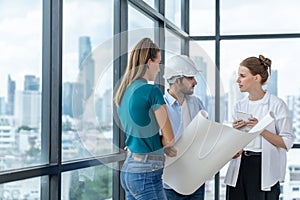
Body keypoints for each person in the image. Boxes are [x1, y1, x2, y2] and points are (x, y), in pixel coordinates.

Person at [114, 38, 177, 200]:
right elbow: (169, 139)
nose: (159, 70)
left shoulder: (123, 92)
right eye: (158, 63)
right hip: (146, 171)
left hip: (129, 169)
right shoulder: (151, 91)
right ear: (149, 63)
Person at [225, 55, 295, 200]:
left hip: (262, 167)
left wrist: (261, 129)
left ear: (256, 78)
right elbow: (235, 143)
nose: (237, 80)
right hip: (239, 165)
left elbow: (286, 142)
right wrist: (235, 132)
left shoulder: (277, 105)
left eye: (242, 76)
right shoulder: (239, 105)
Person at [163, 55, 206, 200]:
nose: (195, 82)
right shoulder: (160, 107)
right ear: (176, 80)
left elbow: (205, 136)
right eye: (190, 78)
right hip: (170, 184)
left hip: (195, 180)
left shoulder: (197, 104)